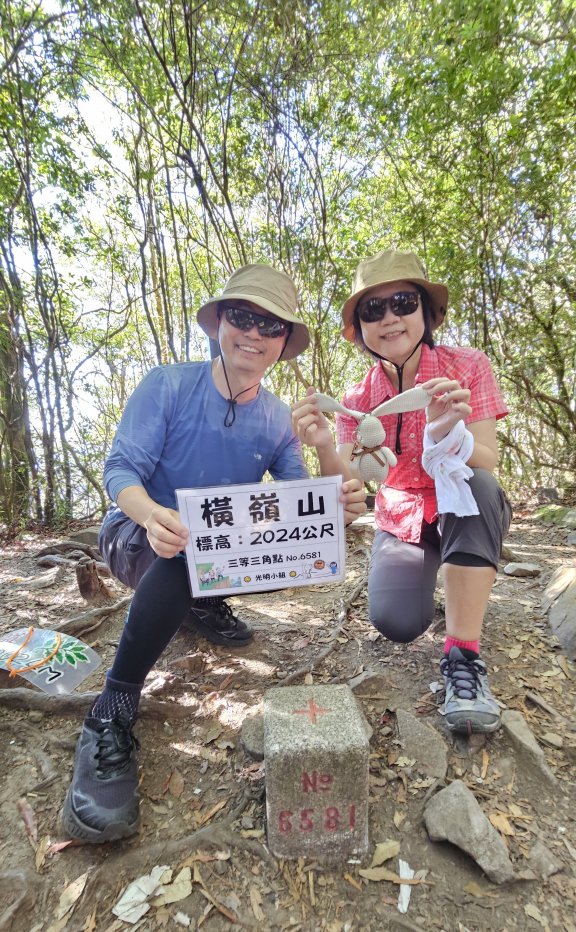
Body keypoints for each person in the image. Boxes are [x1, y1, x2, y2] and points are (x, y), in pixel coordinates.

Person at [62, 264, 365, 843]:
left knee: (228, 549)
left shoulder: (278, 417)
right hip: (138, 537)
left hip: (217, 550)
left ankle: (199, 604)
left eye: (270, 325)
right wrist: (152, 516)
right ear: (219, 323)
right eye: (242, 317)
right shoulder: (168, 385)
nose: (253, 333)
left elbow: (301, 499)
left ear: (283, 342)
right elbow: (120, 471)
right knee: (184, 553)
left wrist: (332, 480)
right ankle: (112, 710)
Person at [292, 249, 511, 735]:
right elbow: (350, 477)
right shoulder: (355, 398)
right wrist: (326, 444)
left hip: (459, 505)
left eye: (403, 302)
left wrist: (448, 432)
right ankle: (442, 579)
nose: (390, 318)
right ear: (360, 329)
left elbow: (488, 459)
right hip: (400, 515)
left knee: (477, 483)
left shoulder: (465, 367)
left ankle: (464, 658)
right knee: (397, 622)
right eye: (373, 310)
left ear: (426, 313)